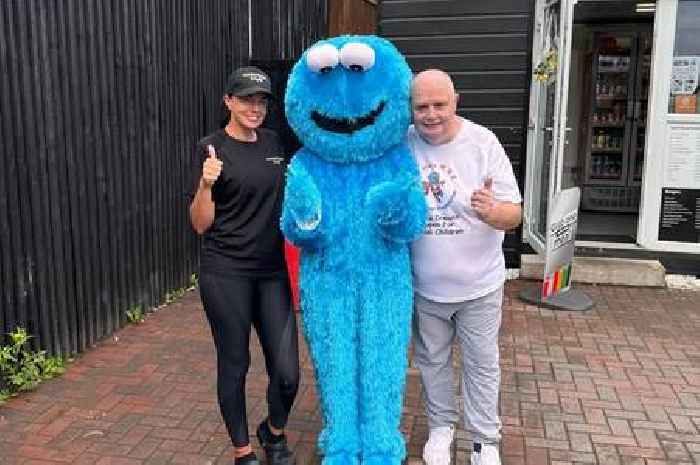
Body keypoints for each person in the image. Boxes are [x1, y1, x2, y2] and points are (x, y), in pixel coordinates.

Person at [407, 69, 522, 465]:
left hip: (479, 286)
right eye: (422, 106)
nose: (431, 114)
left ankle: (484, 440)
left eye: (439, 104)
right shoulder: (403, 144)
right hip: (425, 287)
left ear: (456, 100)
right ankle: (442, 427)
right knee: (432, 362)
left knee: (481, 364)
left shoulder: (482, 142)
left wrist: (494, 212)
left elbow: (515, 214)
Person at [188, 66, 299, 465]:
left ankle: (273, 431)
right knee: (235, 362)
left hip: (271, 272)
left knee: (287, 373)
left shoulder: (275, 142)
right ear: (228, 101)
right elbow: (200, 224)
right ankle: (243, 452)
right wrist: (205, 184)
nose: (255, 107)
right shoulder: (211, 148)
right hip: (226, 272)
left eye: (262, 100)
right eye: (247, 99)